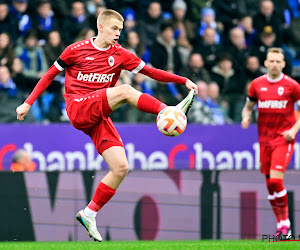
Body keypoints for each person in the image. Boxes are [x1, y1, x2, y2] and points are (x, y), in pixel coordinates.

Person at [16, 9, 197, 242]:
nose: (118, 34)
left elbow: (151, 72)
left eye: (120, 30)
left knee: (121, 167)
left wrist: (182, 80)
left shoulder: (121, 54)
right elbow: (49, 75)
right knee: (124, 90)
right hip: (78, 107)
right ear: (100, 26)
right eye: (114, 28)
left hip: (98, 115)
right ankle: (168, 111)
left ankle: (89, 213)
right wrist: (27, 103)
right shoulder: (74, 50)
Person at [241, 47, 300, 239]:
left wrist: (293, 130)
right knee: (269, 185)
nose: (274, 64)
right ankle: (281, 225)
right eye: (271, 61)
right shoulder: (257, 85)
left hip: (283, 138)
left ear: (283, 64)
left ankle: (286, 224)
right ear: (265, 63)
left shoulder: (292, 86)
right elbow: (248, 107)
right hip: (264, 141)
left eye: (278, 61)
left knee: (276, 180)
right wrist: (246, 117)